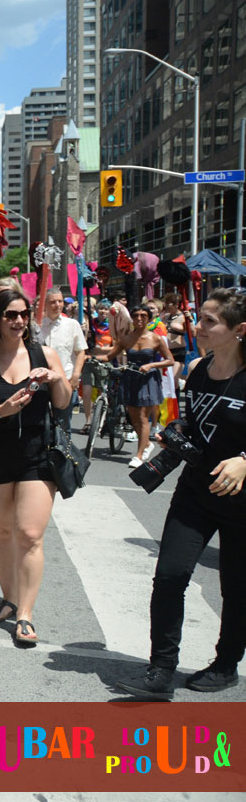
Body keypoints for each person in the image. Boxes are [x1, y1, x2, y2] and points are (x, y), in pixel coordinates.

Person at [116, 288, 246, 700]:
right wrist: (173, 437)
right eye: (200, 318)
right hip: (195, 493)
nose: (196, 326)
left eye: (210, 321)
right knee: (170, 576)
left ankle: (226, 664)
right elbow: (194, 425)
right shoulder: (197, 368)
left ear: (239, 330)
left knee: (237, 589)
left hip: (241, 500)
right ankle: (161, 669)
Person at [0, 287, 72, 647]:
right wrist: (0, 411)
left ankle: (25, 614)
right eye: (11, 314)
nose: (19, 321)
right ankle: (8, 598)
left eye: (23, 314)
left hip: (36, 454)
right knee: (3, 533)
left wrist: (57, 378)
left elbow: (64, 402)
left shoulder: (46, 354)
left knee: (30, 534)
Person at [108, 304, 175, 467]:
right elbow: (110, 355)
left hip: (148, 379)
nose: (139, 318)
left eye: (143, 315)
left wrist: (151, 365)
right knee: (134, 418)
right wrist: (88, 356)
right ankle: (146, 444)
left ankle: (138, 456)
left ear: (148, 318)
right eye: (136, 315)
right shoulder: (126, 338)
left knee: (143, 418)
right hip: (130, 378)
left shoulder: (155, 338)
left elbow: (170, 360)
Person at [37, 288, 87, 432]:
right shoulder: (37, 326)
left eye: (60, 301)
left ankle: (65, 454)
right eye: (53, 302)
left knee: (63, 425)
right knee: (41, 423)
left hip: (65, 380)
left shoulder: (72, 325)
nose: (57, 305)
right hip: (41, 383)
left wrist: (76, 375)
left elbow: (80, 351)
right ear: (44, 304)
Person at [80, 298, 116, 432]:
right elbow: (85, 345)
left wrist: (99, 349)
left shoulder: (113, 327)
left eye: (106, 309)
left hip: (105, 362)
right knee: (87, 391)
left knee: (103, 393)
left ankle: (101, 421)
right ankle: (88, 421)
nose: (103, 311)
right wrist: (85, 334)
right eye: (101, 308)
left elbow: (116, 347)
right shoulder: (91, 325)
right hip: (90, 361)